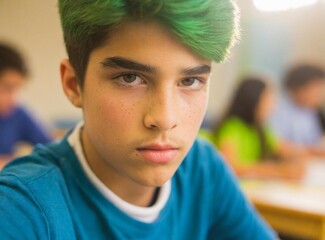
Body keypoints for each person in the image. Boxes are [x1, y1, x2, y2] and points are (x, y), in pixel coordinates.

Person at [0, 1, 277, 239]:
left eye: (190, 81)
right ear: (74, 85)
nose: (165, 119)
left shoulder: (203, 169)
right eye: (130, 78)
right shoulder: (21, 208)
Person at [213, 77, 305, 179]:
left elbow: (287, 150)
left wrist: (296, 162)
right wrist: (276, 170)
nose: (272, 106)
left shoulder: (261, 128)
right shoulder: (232, 127)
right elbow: (229, 167)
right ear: (252, 100)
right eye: (268, 100)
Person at [0, 43, 52, 169]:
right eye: (8, 88)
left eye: (17, 89)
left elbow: (51, 150)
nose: (13, 98)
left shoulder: (16, 113)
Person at [270, 64, 325, 154]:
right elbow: (277, 145)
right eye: (315, 89)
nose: (319, 95)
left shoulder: (312, 113)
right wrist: (312, 151)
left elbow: (316, 142)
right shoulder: (277, 111)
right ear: (298, 89)